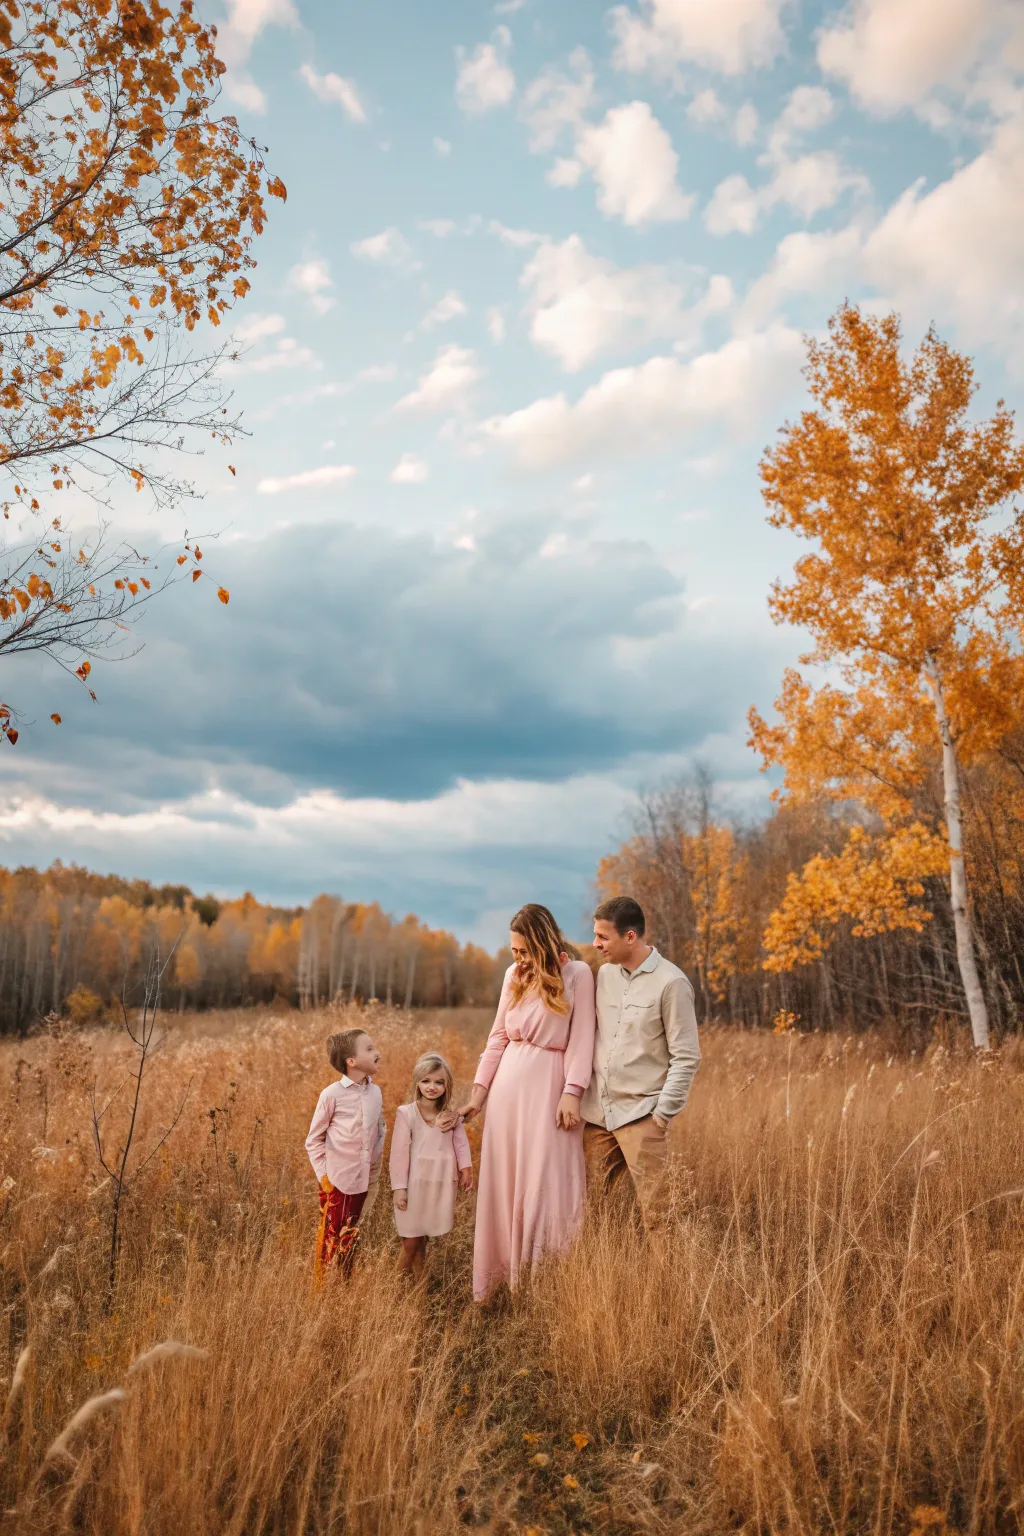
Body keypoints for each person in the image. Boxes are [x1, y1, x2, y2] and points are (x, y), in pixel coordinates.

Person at [458, 903, 596, 1301]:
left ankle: (544, 1285)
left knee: (546, 1183)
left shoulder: (578, 974)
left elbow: (582, 1037)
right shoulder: (513, 974)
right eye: (513, 951)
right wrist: (478, 1095)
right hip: (505, 1095)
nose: (518, 959)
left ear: (543, 941)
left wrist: (572, 1092)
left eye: (524, 950)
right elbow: (498, 1037)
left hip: (550, 1092)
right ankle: (500, 1283)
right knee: (506, 1182)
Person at [582, 896, 701, 1226]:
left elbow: (687, 1056)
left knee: (660, 1217)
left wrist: (660, 1116)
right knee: (594, 1214)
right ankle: (606, 1274)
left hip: (642, 1115)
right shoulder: (603, 976)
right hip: (597, 1116)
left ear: (630, 936)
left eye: (603, 936)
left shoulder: (671, 983)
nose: (596, 944)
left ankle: (667, 1277)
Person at [304, 1027, 385, 1279]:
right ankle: (322, 1290)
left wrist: (374, 1169)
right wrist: (324, 1176)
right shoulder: (332, 1095)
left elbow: (378, 1131)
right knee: (329, 1238)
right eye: (369, 1049)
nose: (377, 1053)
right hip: (335, 1182)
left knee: (350, 1236)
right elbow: (313, 1140)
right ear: (352, 1061)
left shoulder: (375, 1093)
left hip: (361, 1180)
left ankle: (345, 1286)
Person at [390, 1051, 474, 1281]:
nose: (432, 1087)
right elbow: (398, 1153)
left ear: (447, 1085)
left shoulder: (450, 1116)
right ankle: (393, 1287)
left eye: (439, 1082)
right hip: (414, 1183)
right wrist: (399, 1187)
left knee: (422, 1236)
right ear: (417, 1083)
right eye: (426, 1081)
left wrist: (466, 1169)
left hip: (439, 1182)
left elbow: (460, 1144)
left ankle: (421, 1288)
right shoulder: (407, 1113)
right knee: (411, 1238)